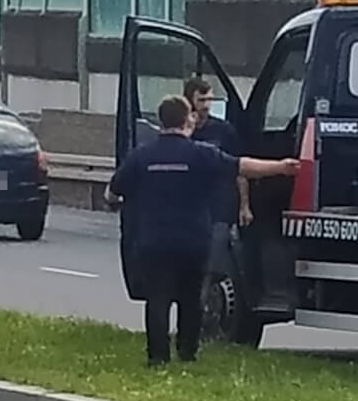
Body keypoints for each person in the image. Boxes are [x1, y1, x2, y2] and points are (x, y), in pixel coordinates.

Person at [108, 94, 299, 367]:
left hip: (153, 239)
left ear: (160, 121)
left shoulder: (141, 155)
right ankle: (187, 352)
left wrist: (118, 202)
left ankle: (158, 357)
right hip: (193, 239)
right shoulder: (201, 154)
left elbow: (112, 192)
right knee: (190, 298)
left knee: (158, 298)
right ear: (188, 121)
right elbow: (242, 166)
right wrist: (281, 167)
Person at [184, 75, 251, 283]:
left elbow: (239, 168)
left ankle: (203, 305)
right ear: (189, 102)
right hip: (190, 210)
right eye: (201, 100)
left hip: (220, 208)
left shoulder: (224, 130)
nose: (206, 106)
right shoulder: (181, 131)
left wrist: (244, 205)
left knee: (212, 265)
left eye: (209, 100)